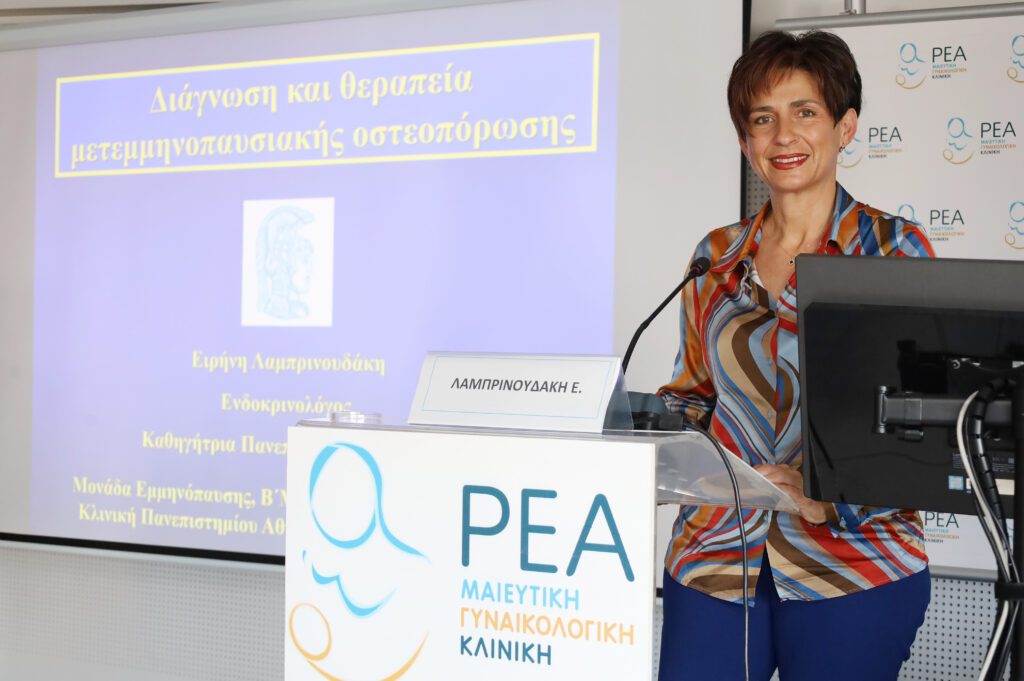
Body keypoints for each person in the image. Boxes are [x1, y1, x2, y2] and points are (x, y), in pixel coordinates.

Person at [657, 31, 933, 681]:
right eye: (762, 118)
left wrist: (827, 497)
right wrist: (661, 450)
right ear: (745, 140)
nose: (782, 135)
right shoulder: (714, 256)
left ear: (846, 126)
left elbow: (923, 423)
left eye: (804, 112)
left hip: (854, 565)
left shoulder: (893, 250)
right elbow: (691, 397)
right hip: (714, 559)